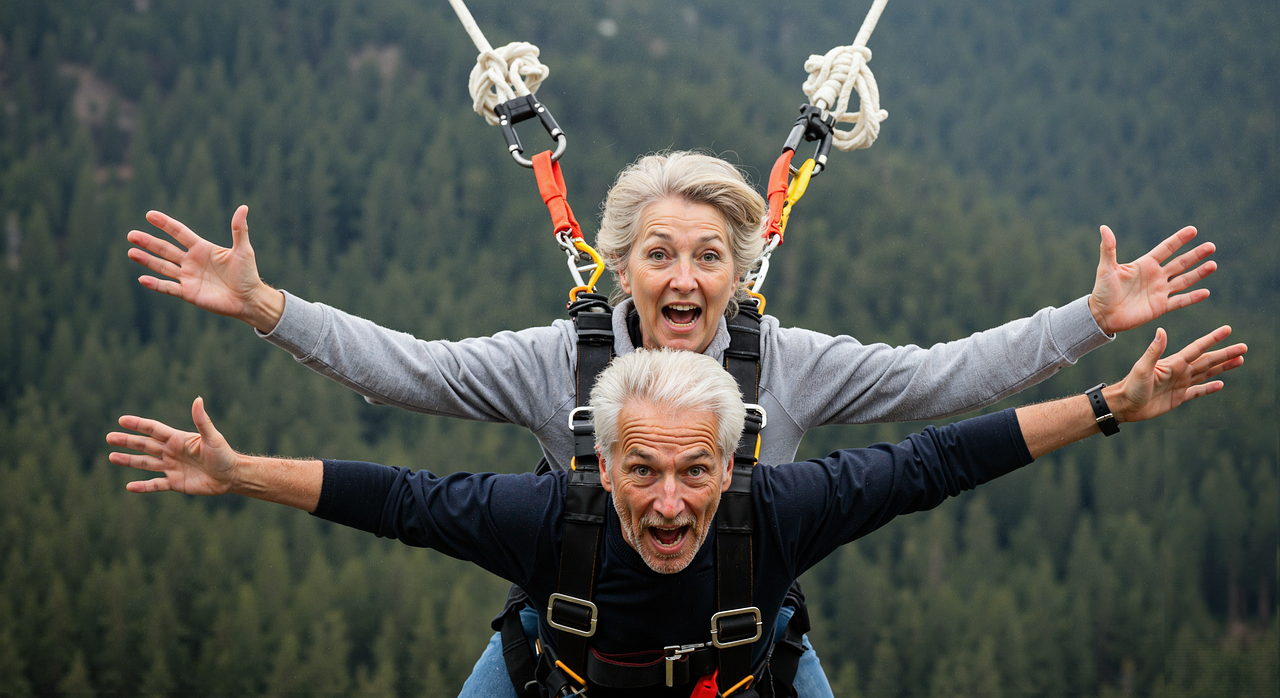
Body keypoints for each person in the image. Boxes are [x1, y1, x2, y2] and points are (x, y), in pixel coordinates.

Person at [125, 152, 1219, 695]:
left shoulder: (784, 363)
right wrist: (268, 307)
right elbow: (406, 373)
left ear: (738, 275)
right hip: (566, 632)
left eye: (708, 256)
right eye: (659, 252)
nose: (683, 274)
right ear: (619, 269)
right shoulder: (559, 358)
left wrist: (1089, 327)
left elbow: (942, 392)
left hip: (743, 634)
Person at [108, 329, 1246, 697]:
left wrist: (1107, 403)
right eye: (640, 471)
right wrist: (240, 468)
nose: (667, 501)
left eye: (694, 472)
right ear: (598, 465)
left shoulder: (780, 509)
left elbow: (937, 458)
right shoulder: (542, 517)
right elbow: (393, 498)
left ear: (732, 461)